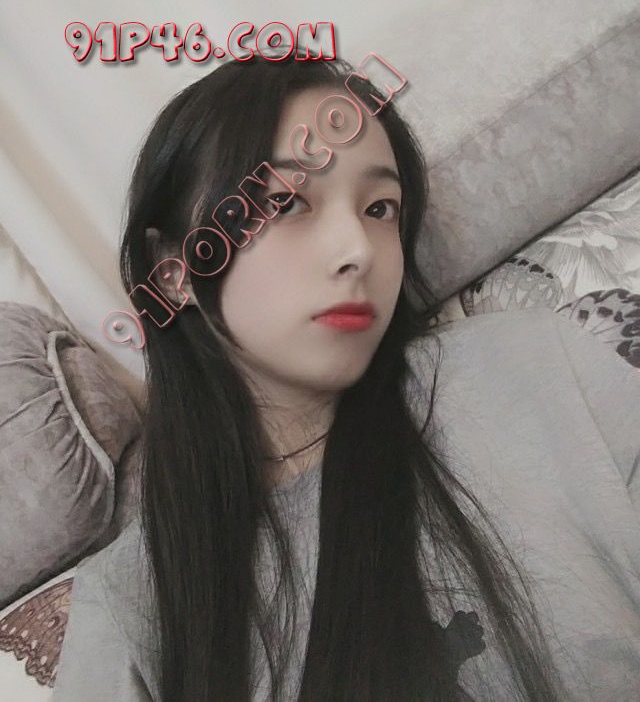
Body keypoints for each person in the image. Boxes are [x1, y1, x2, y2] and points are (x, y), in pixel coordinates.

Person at [52, 53, 640, 701]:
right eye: (285, 202)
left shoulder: (537, 367)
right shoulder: (131, 606)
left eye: (380, 209)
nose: (357, 249)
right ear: (175, 272)